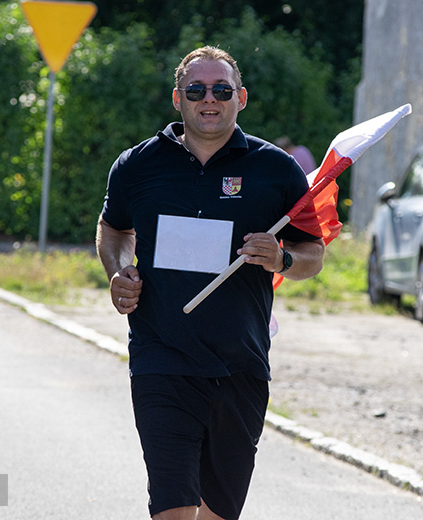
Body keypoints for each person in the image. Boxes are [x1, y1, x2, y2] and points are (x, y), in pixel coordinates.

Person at [96, 46, 325, 520]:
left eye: (222, 90)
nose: (210, 99)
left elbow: (313, 255)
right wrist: (119, 271)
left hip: (240, 365)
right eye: (196, 90)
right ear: (177, 98)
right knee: (173, 507)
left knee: (217, 513)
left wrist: (281, 257)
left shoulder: (276, 169)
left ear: (240, 98)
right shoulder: (138, 165)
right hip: (161, 357)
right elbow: (114, 229)